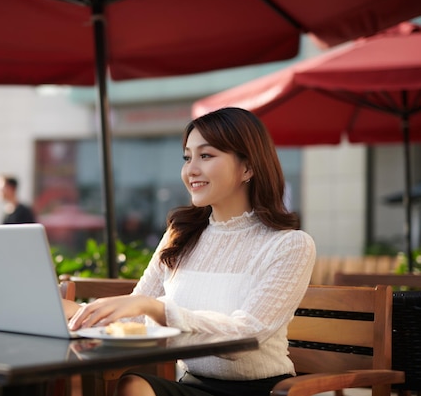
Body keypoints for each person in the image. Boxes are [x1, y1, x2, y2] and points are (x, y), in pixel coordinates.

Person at [64, 107, 316, 396]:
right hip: (192, 385)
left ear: (248, 167)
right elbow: (134, 317)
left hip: (259, 391)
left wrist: (156, 308)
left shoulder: (289, 245)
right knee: (133, 385)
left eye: (206, 156)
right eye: (187, 157)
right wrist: (77, 313)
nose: (190, 170)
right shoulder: (180, 235)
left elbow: (247, 335)